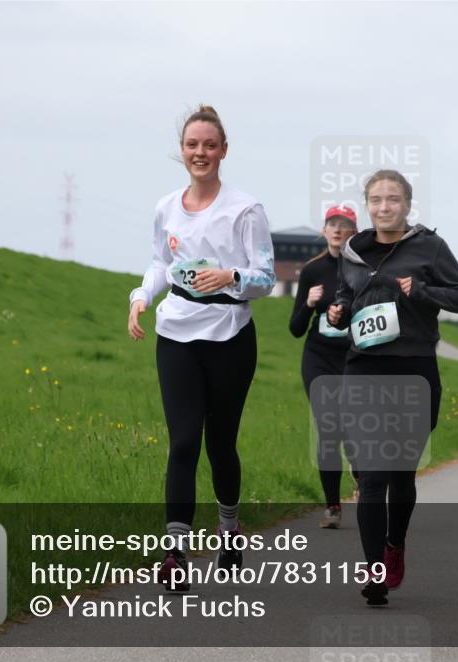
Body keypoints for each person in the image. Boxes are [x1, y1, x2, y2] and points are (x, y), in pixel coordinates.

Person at [127, 105, 276, 590]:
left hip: (230, 334)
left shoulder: (245, 209)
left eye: (210, 145)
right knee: (184, 441)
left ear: (224, 151)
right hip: (176, 332)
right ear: (182, 151)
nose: (201, 153)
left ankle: (230, 526)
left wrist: (231, 276)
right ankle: (175, 552)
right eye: (193, 145)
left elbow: (265, 279)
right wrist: (141, 298)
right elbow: (158, 263)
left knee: (220, 443)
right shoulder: (165, 207)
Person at [327, 169, 458, 606]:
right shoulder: (354, 250)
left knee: (401, 475)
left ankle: (395, 544)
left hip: (414, 370)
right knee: (372, 476)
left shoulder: (429, 247)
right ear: (368, 206)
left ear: (407, 205)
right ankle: (375, 570)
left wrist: (422, 290)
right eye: (376, 200)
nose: (384, 207)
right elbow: (344, 293)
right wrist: (338, 309)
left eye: (393, 199)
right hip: (363, 368)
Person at [289, 205, 360, 529]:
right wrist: (309, 304)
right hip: (317, 357)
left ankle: (362, 482)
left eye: (344, 225)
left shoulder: (363, 269)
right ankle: (332, 505)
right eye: (332, 224)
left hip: (352, 358)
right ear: (324, 230)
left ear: (354, 232)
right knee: (328, 427)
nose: (337, 230)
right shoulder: (312, 271)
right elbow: (295, 328)